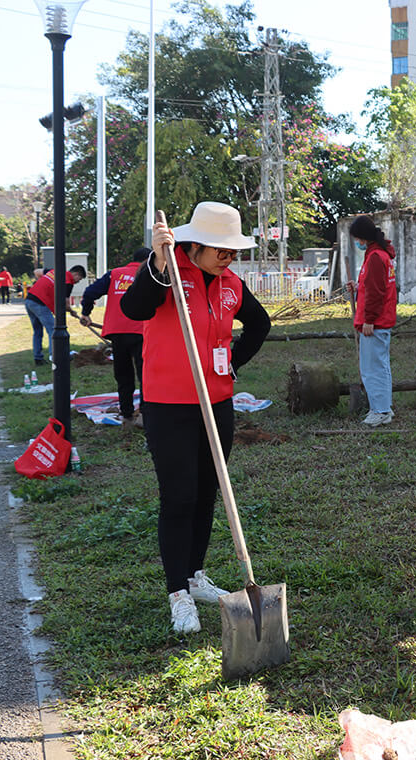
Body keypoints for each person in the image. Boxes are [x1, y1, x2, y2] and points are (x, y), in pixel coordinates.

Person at [122, 202, 271, 635]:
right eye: (221, 250)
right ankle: (178, 594)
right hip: (169, 405)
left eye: (233, 251)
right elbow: (135, 309)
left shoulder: (230, 284)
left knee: (209, 490)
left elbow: (258, 325)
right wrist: (156, 262)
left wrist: (231, 365)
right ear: (196, 244)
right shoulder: (166, 272)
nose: (228, 258)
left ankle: (195, 575)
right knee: (180, 496)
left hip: (217, 402)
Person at [80, 247, 150, 427]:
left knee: (123, 374)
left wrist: (86, 313)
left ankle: (126, 414)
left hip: (117, 332)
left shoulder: (114, 274)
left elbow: (89, 293)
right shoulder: (149, 273)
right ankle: (144, 414)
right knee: (145, 374)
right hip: (142, 331)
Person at [347, 215, 397, 427]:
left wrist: (369, 320)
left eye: (357, 238)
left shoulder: (376, 257)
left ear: (362, 237)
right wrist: (358, 288)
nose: (356, 242)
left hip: (375, 322)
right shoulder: (378, 255)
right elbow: (373, 286)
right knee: (379, 366)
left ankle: (381, 411)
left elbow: (377, 292)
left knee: (373, 368)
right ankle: (383, 407)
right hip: (379, 320)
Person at [24, 264, 86, 365]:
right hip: (40, 303)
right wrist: (71, 311)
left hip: (30, 300)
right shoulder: (68, 281)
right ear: (76, 274)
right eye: (79, 279)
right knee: (53, 330)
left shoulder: (54, 271)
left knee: (37, 331)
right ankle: (55, 356)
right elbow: (65, 304)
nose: (77, 282)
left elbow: (37, 272)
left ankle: (38, 358)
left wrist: (46, 285)